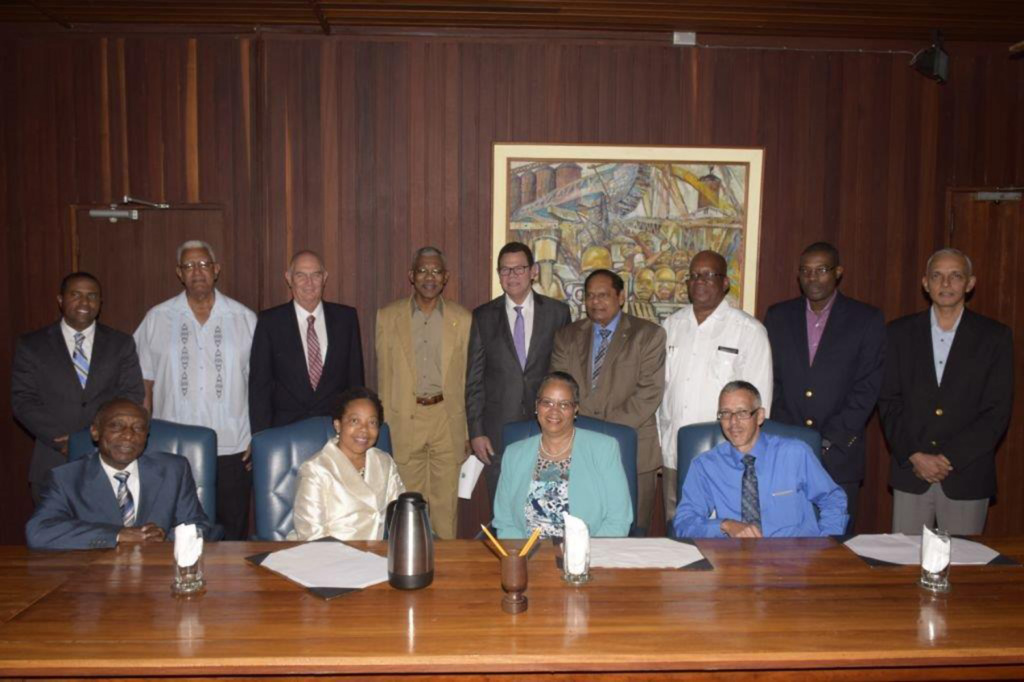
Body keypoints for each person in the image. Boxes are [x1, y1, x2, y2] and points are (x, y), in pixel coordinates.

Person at [879, 248, 1013, 535]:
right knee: (906, 564)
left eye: (955, 276)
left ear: (970, 283)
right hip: (911, 472)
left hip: (966, 473)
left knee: (963, 568)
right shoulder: (898, 333)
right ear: (925, 283)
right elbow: (889, 402)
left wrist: (947, 458)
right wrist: (916, 455)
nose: (946, 283)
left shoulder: (994, 337)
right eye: (937, 276)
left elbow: (996, 411)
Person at [134, 240, 257, 540]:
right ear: (179, 273)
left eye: (203, 264)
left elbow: (261, 384)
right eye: (189, 266)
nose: (197, 272)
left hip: (232, 447)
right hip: (172, 447)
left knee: (231, 533)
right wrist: (142, 437)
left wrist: (259, 436)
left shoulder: (244, 319)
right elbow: (143, 384)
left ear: (216, 270)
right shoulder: (157, 318)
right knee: (175, 530)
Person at [763, 242, 884, 530]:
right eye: (805, 271)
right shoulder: (779, 316)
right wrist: (788, 437)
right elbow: (772, 381)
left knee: (834, 542)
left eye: (821, 270)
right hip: (786, 449)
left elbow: (867, 387)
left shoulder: (866, 319)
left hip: (839, 452)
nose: (812, 278)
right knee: (785, 536)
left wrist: (827, 439)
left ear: (838, 272)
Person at [658, 250, 772, 521]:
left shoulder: (748, 330)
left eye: (709, 275)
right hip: (674, 453)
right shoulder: (671, 326)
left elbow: (760, 401)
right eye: (694, 275)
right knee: (677, 531)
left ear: (725, 283)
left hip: (725, 454)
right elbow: (660, 393)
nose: (700, 281)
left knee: (722, 533)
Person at [12, 272, 144, 503]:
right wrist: (61, 439)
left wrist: (93, 436)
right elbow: (23, 399)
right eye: (76, 295)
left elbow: (131, 394)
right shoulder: (32, 345)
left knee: (105, 535)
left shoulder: (120, 343)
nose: (85, 302)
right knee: (52, 536)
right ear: (61, 300)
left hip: (108, 458)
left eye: (92, 296)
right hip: (52, 459)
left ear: (100, 303)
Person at [550, 269, 666, 534]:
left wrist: (601, 433)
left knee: (633, 531)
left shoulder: (648, 335)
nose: (595, 302)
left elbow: (649, 392)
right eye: (590, 296)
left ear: (621, 297)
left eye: (603, 295)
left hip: (632, 448)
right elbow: (559, 387)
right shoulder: (566, 336)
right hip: (576, 449)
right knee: (580, 527)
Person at [26, 399, 215, 550]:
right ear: (95, 432)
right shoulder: (66, 478)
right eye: (116, 426)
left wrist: (166, 538)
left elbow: (199, 525)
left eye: (138, 428)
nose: (128, 435)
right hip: (95, 584)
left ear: (146, 435)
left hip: (157, 582)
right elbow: (39, 532)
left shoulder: (174, 470)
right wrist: (117, 535)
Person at [466, 242, 571, 509]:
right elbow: (474, 379)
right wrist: (476, 432)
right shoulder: (482, 316)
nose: (512, 276)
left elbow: (565, 375)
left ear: (534, 271)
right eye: (505, 270)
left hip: (548, 426)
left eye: (519, 269)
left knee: (546, 504)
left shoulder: (558, 313)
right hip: (498, 431)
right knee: (504, 507)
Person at [375, 247, 471, 539]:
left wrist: (467, 430)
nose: (429, 277)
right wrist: (386, 428)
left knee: (445, 508)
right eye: (422, 271)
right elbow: (383, 377)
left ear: (446, 278)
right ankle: (411, 566)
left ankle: (446, 574)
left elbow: (469, 379)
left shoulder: (463, 318)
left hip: (447, 419)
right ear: (411, 276)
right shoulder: (387, 317)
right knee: (408, 505)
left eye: (436, 271)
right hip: (406, 419)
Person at [674, 381, 847, 538]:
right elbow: (684, 523)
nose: (733, 422)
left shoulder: (795, 454)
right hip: (736, 563)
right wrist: (724, 525)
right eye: (725, 413)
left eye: (742, 413)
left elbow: (833, 499)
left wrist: (826, 545)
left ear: (760, 416)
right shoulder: (706, 466)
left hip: (795, 561)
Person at [492, 372, 632, 539]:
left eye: (564, 404)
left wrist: (580, 556)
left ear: (575, 409)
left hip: (586, 557)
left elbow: (618, 521)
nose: (554, 411)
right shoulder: (514, 454)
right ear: (537, 406)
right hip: (527, 556)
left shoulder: (604, 449)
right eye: (547, 402)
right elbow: (504, 521)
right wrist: (522, 558)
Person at [249, 250, 365, 433]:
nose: (309, 283)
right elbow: (260, 387)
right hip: (285, 434)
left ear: (325, 277)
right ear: (289, 278)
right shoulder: (270, 322)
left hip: (334, 434)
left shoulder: (346, 319)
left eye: (315, 275)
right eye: (300, 275)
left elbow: (356, 382)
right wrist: (260, 438)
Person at [291, 388, 404, 541]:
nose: (364, 429)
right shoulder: (316, 470)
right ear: (338, 425)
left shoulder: (384, 462)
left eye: (372, 422)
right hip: (328, 557)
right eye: (354, 421)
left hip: (377, 556)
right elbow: (312, 536)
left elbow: (401, 516)